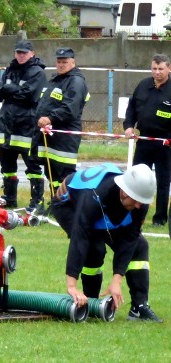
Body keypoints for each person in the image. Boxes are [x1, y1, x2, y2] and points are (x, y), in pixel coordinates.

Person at [51, 163, 162, 323]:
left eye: (142, 202)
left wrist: (116, 280)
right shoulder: (95, 194)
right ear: (125, 190)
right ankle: (91, 301)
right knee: (94, 247)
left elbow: (130, 239)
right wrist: (72, 286)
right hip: (69, 205)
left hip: (104, 205)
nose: (139, 206)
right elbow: (80, 237)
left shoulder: (139, 202)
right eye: (136, 201)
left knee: (140, 246)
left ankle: (140, 307)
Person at [0, 40, 47, 212]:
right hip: (7, 125)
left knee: (32, 166)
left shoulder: (37, 72)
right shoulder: (9, 70)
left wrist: (8, 89)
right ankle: (9, 198)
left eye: (24, 52)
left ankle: (37, 202)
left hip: (27, 126)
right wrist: (12, 90)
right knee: (6, 166)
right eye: (18, 52)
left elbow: (30, 96)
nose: (21, 55)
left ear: (32, 53)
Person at [33, 47, 89, 199]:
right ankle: (55, 204)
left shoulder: (75, 82)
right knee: (52, 174)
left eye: (65, 62)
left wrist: (50, 118)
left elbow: (71, 108)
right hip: (51, 136)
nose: (61, 65)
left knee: (65, 174)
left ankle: (67, 206)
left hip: (65, 137)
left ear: (73, 62)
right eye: (59, 62)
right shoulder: (56, 80)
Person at [124, 54, 171, 227]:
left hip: (165, 144)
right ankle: (135, 214)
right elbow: (131, 109)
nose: (157, 72)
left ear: (169, 68)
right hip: (144, 141)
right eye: (154, 69)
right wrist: (128, 126)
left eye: (160, 69)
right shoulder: (143, 85)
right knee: (137, 178)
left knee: (163, 181)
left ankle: (160, 218)